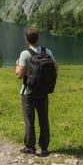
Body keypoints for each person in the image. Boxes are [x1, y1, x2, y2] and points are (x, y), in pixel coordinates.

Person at [15, 27, 58, 156]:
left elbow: (20, 75)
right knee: (43, 119)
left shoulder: (25, 54)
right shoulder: (47, 51)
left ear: (26, 39)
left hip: (29, 92)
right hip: (43, 91)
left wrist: (17, 64)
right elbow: (56, 68)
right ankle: (44, 147)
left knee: (29, 120)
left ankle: (30, 148)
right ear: (38, 38)